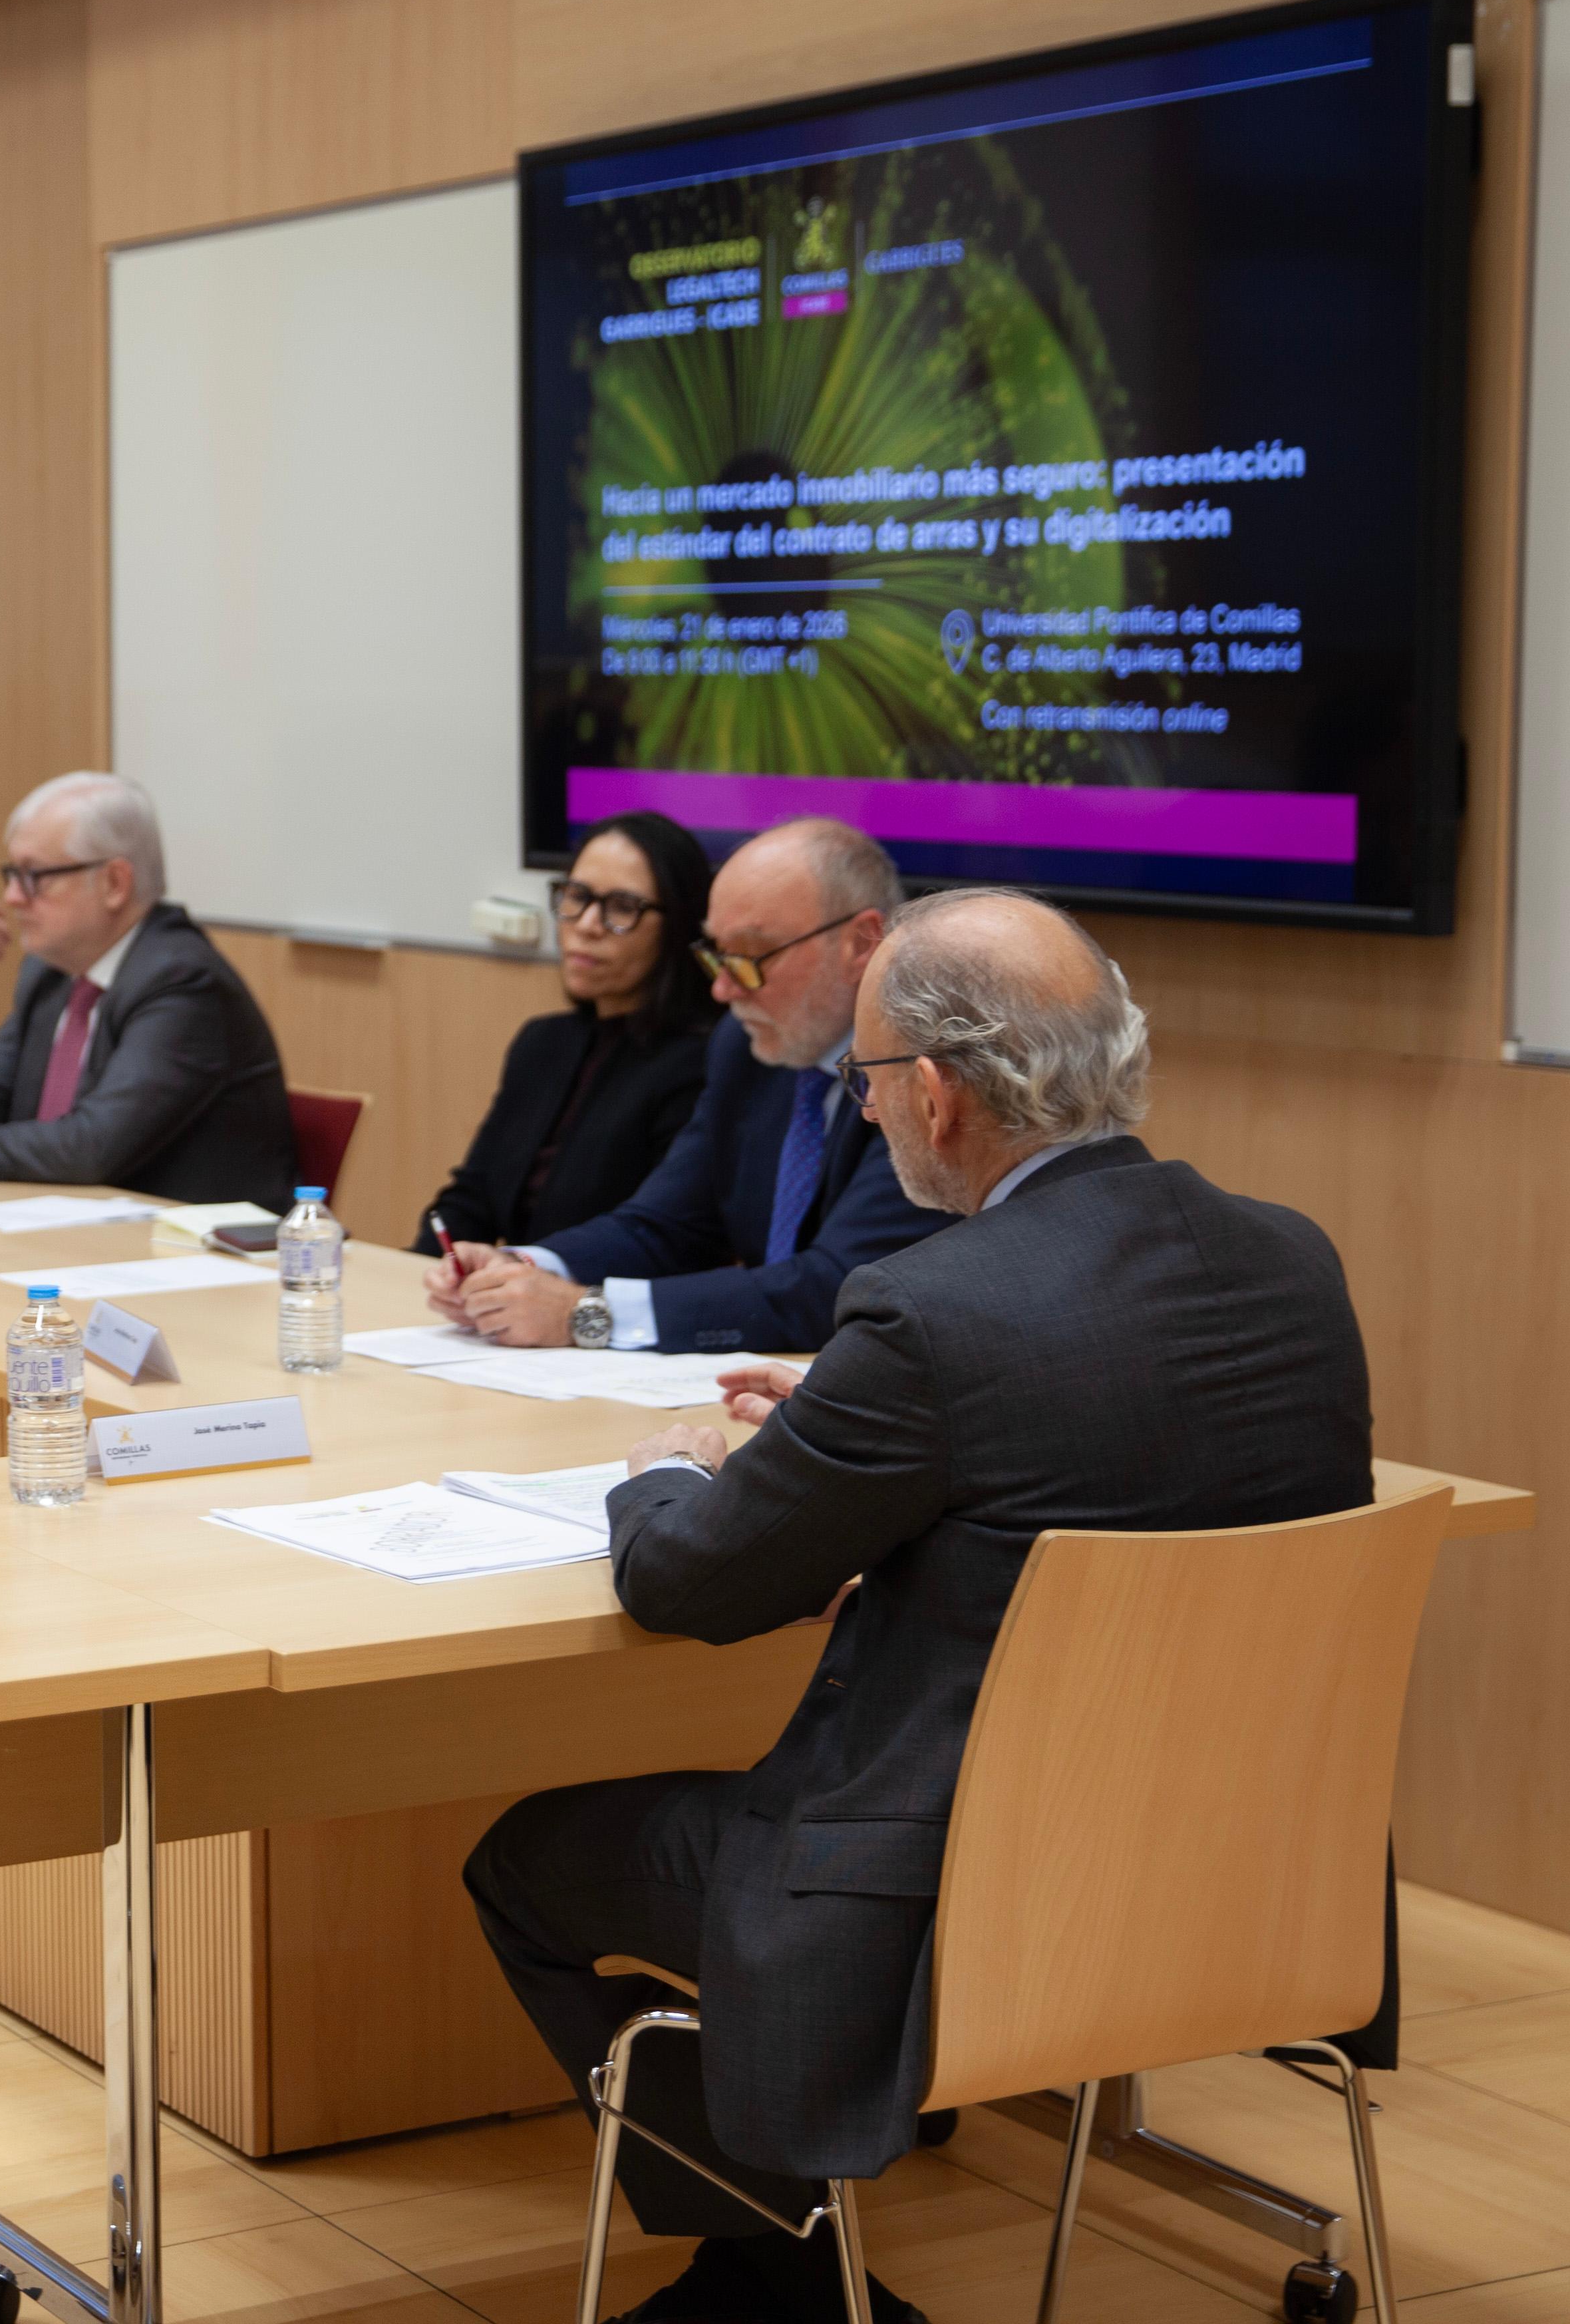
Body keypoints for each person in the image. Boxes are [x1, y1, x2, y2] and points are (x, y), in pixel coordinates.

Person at [460, 890, 1377, 2324]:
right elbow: (1104, 1446)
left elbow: (690, 1585)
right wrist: (853, 1422)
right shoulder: (1293, 1259)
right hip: (1238, 1868)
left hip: (967, 1893)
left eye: (868, 1079)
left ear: (937, 1095)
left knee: (523, 1860)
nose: (869, 1107)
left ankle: (772, 2272)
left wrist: (662, 1474)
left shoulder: (933, 1312)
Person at [428, 815, 940, 1355]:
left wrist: (587, 1313)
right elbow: (666, 1224)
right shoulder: (746, 1048)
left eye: (750, 957)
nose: (723, 989)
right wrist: (523, 1267)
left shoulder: (921, 1070)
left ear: (861, 943)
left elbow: (837, 1285)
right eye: (717, 955)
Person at [0, 770, 298, 1207]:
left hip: (190, 1242)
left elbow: (92, 1148)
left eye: (34, 875)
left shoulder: (185, 983)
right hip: (73, 1231)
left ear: (115, 883)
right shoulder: (50, 975)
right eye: (12, 874)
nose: (13, 897)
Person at [414, 812, 722, 1257]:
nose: (588, 924)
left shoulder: (701, 1063)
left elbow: (658, 1236)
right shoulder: (543, 1043)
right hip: (507, 1289)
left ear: (679, 926)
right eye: (577, 897)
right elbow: (472, 1198)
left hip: (598, 1295)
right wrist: (426, 1270)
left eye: (622, 907)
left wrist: (522, 1273)